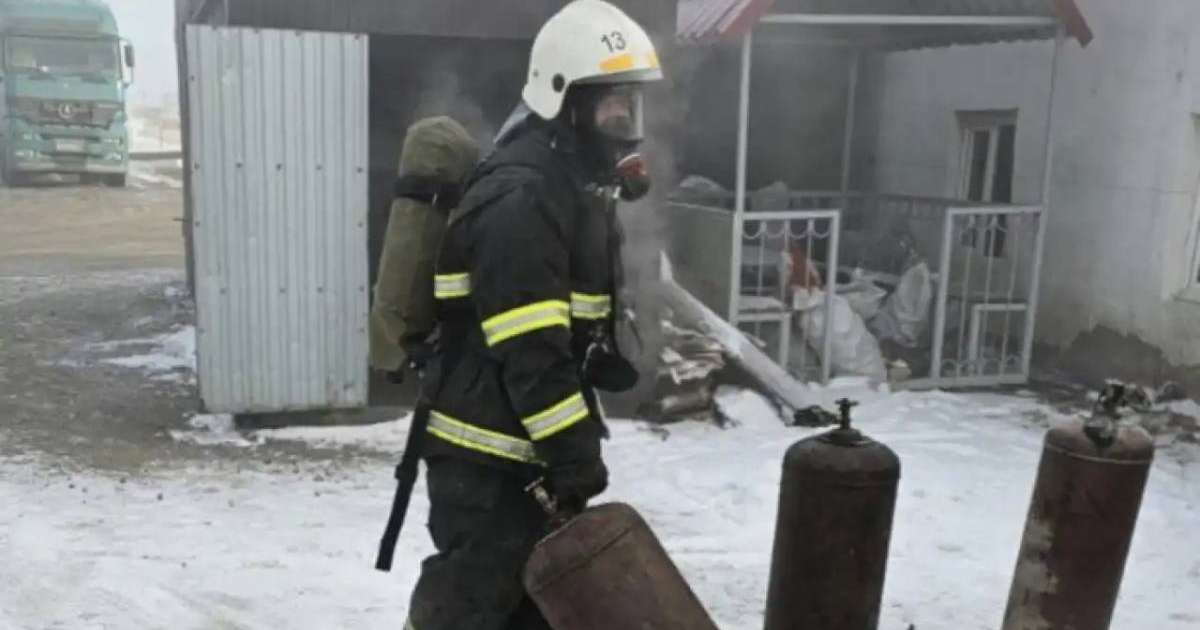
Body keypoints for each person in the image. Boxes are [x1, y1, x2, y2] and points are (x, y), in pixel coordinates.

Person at [403, 1, 662, 628]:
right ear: (563, 101)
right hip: (487, 463)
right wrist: (573, 450)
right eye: (611, 107)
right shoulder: (523, 196)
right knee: (466, 613)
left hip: (523, 459)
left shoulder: (566, 184)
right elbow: (530, 346)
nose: (625, 124)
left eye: (631, 105)